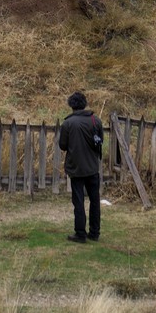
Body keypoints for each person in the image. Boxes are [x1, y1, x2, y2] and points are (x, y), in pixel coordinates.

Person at [58, 91, 103, 243]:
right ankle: (95, 233)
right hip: (92, 167)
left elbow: (62, 145)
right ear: (84, 104)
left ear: (71, 105)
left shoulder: (68, 123)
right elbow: (100, 141)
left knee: (78, 201)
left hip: (76, 168)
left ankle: (80, 233)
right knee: (95, 200)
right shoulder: (95, 120)